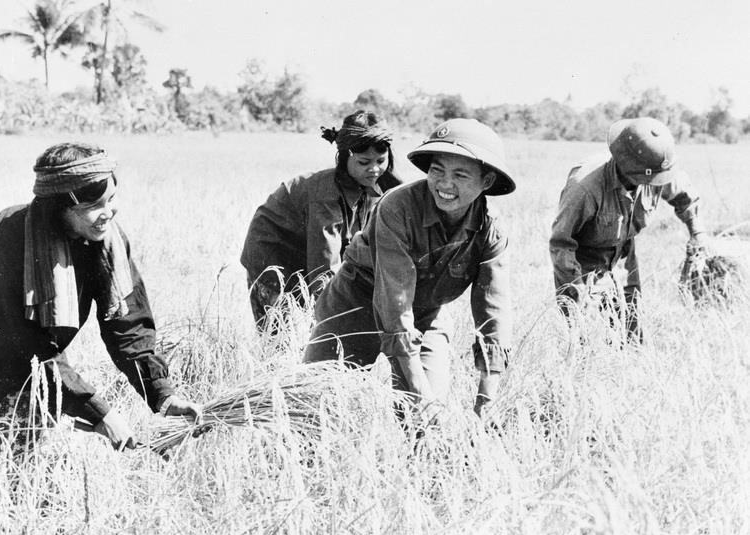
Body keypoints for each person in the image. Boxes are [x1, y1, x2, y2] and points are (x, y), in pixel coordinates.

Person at [0, 142, 202, 463]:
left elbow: (127, 324)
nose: (109, 212)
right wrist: (100, 413)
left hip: (37, 361)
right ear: (60, 208)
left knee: (32, 465)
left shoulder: (106, 238)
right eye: (95, 205)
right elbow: (31, 344)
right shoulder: (12, 238)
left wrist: (162, 395)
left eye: (111, 200)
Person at [303, 118, 515, 418]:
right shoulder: (397, 207)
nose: (445, 184)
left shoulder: (491, 230)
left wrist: (487, 396)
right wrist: (421, 396)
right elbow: (395, 300)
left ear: (487, 182)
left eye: (460, 175)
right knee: (315, 405)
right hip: (355, 302)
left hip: (427, 313)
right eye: (437, 170)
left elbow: (493, 308)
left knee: (425, 424)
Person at [240, 110, 402, 332]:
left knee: (320, 329)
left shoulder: (379, 184)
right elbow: (323, 269)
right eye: (364, 162)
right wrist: (338, 317)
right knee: (279, 335)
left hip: (308, 252)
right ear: (346, 158)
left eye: (381, 161)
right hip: (272, 254)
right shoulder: (325, 196)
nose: (374, 169)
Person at [549, 117, 707, 342]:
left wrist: (698, 234)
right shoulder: (585, 187)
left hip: (623, 256)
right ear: (630, 172)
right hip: (582, 262)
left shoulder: (656, 170)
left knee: (630, 334)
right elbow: (561, 243)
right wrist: (577, 289)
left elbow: (686, 198)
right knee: (583, 342)